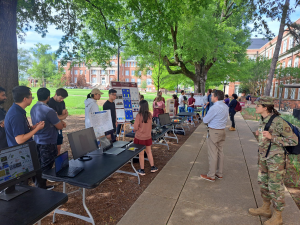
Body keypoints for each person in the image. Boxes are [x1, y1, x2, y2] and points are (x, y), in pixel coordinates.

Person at [248, 97, 298, 225]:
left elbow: (293, 140)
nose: (255, 107)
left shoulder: (279, 121)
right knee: (263, 183)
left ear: (265, 107)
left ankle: (278, 216)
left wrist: (272, 137)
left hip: (276, 161)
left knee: (275, 187)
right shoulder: (263, 119)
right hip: (264, 157)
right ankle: (265, 208)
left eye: (258, 105)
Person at [30, 88, 66, 189]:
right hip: (48, 141)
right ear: (48, 97)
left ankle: (38, 185)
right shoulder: (49, 110)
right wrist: (62, 123)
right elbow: (59, 126)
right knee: (46, 167)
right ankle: (41, 189)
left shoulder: (33, 107)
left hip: (37, 140)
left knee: (38, 164)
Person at [201, 90, 229, 182]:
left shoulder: (214, 108)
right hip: (222, 131)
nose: (211, 97)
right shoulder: (225, 106)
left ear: (216, 97)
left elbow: (205, 120)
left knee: (213, 154)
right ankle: (219, 173)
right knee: (220, 153)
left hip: (214, 132)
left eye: (212, 96)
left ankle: (211, 175)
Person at [133, 100, 158, 175]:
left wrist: (135, 129)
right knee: (149, 152)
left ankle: (142, 170)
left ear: (141, 106)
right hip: (148, 137)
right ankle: (153, 167)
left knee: (141, 154)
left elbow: (135, 127)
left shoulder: (139, 115)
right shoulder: (150, 115)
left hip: (140, 137)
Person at [47, 88, 69, 155]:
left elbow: (61, 114)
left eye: (63, 99)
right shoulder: (50, 103)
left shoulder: (62, 102)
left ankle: (57, 159)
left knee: (59, 145)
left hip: (58, 125)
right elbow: (53, 117)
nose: (62, 100)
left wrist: (61, 120)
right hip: (51, 127)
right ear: (56, 94)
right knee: (53, 146)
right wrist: (64, 116)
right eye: (61, 98)